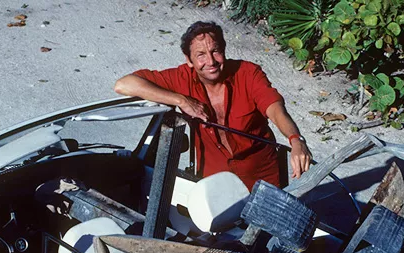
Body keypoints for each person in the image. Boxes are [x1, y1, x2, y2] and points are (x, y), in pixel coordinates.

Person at [114, 21, 312, 190]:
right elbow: (124, 84)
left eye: (215, 51)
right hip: (214, 184)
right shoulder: (181, 78)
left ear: (223, 50)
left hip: (261, 179)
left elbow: (275, 109)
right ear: (189, 60)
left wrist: (296, 140)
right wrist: (181, 100)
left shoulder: (248, 73)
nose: (210, 61)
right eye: (200, 55)